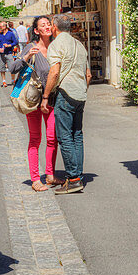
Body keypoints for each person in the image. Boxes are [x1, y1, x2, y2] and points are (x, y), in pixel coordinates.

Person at [42, 13, 91, 194]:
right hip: (80, 94)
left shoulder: (57, 44)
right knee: (77, 135)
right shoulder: (79, 45)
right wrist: (83, 90)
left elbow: (54, 73)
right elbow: (88, 75)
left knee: (64, 137)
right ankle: (78, 174)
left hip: (66, 92)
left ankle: (73, 178)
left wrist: (46, 96)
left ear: (54, 26)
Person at [8, 15, 59, 191]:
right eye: (43, 25)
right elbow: (12, 69)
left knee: (53, 138)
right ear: (36, 31)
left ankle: (50, 175)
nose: (47, 27)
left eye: (48, 24)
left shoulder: (56, 47)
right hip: (34, 101)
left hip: (51, 100)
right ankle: (36, 179)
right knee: (35, 139)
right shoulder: (31, 47)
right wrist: (27, 56)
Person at [0, 20, 19, 87]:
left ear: (5, 27)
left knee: (12, 67)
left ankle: (13, 80)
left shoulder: (10, 34)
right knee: (2, 68)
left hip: (9, 53)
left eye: (0, 26)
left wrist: (9, 45)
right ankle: (4, 81)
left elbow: (15, 42)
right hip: (1, 54)